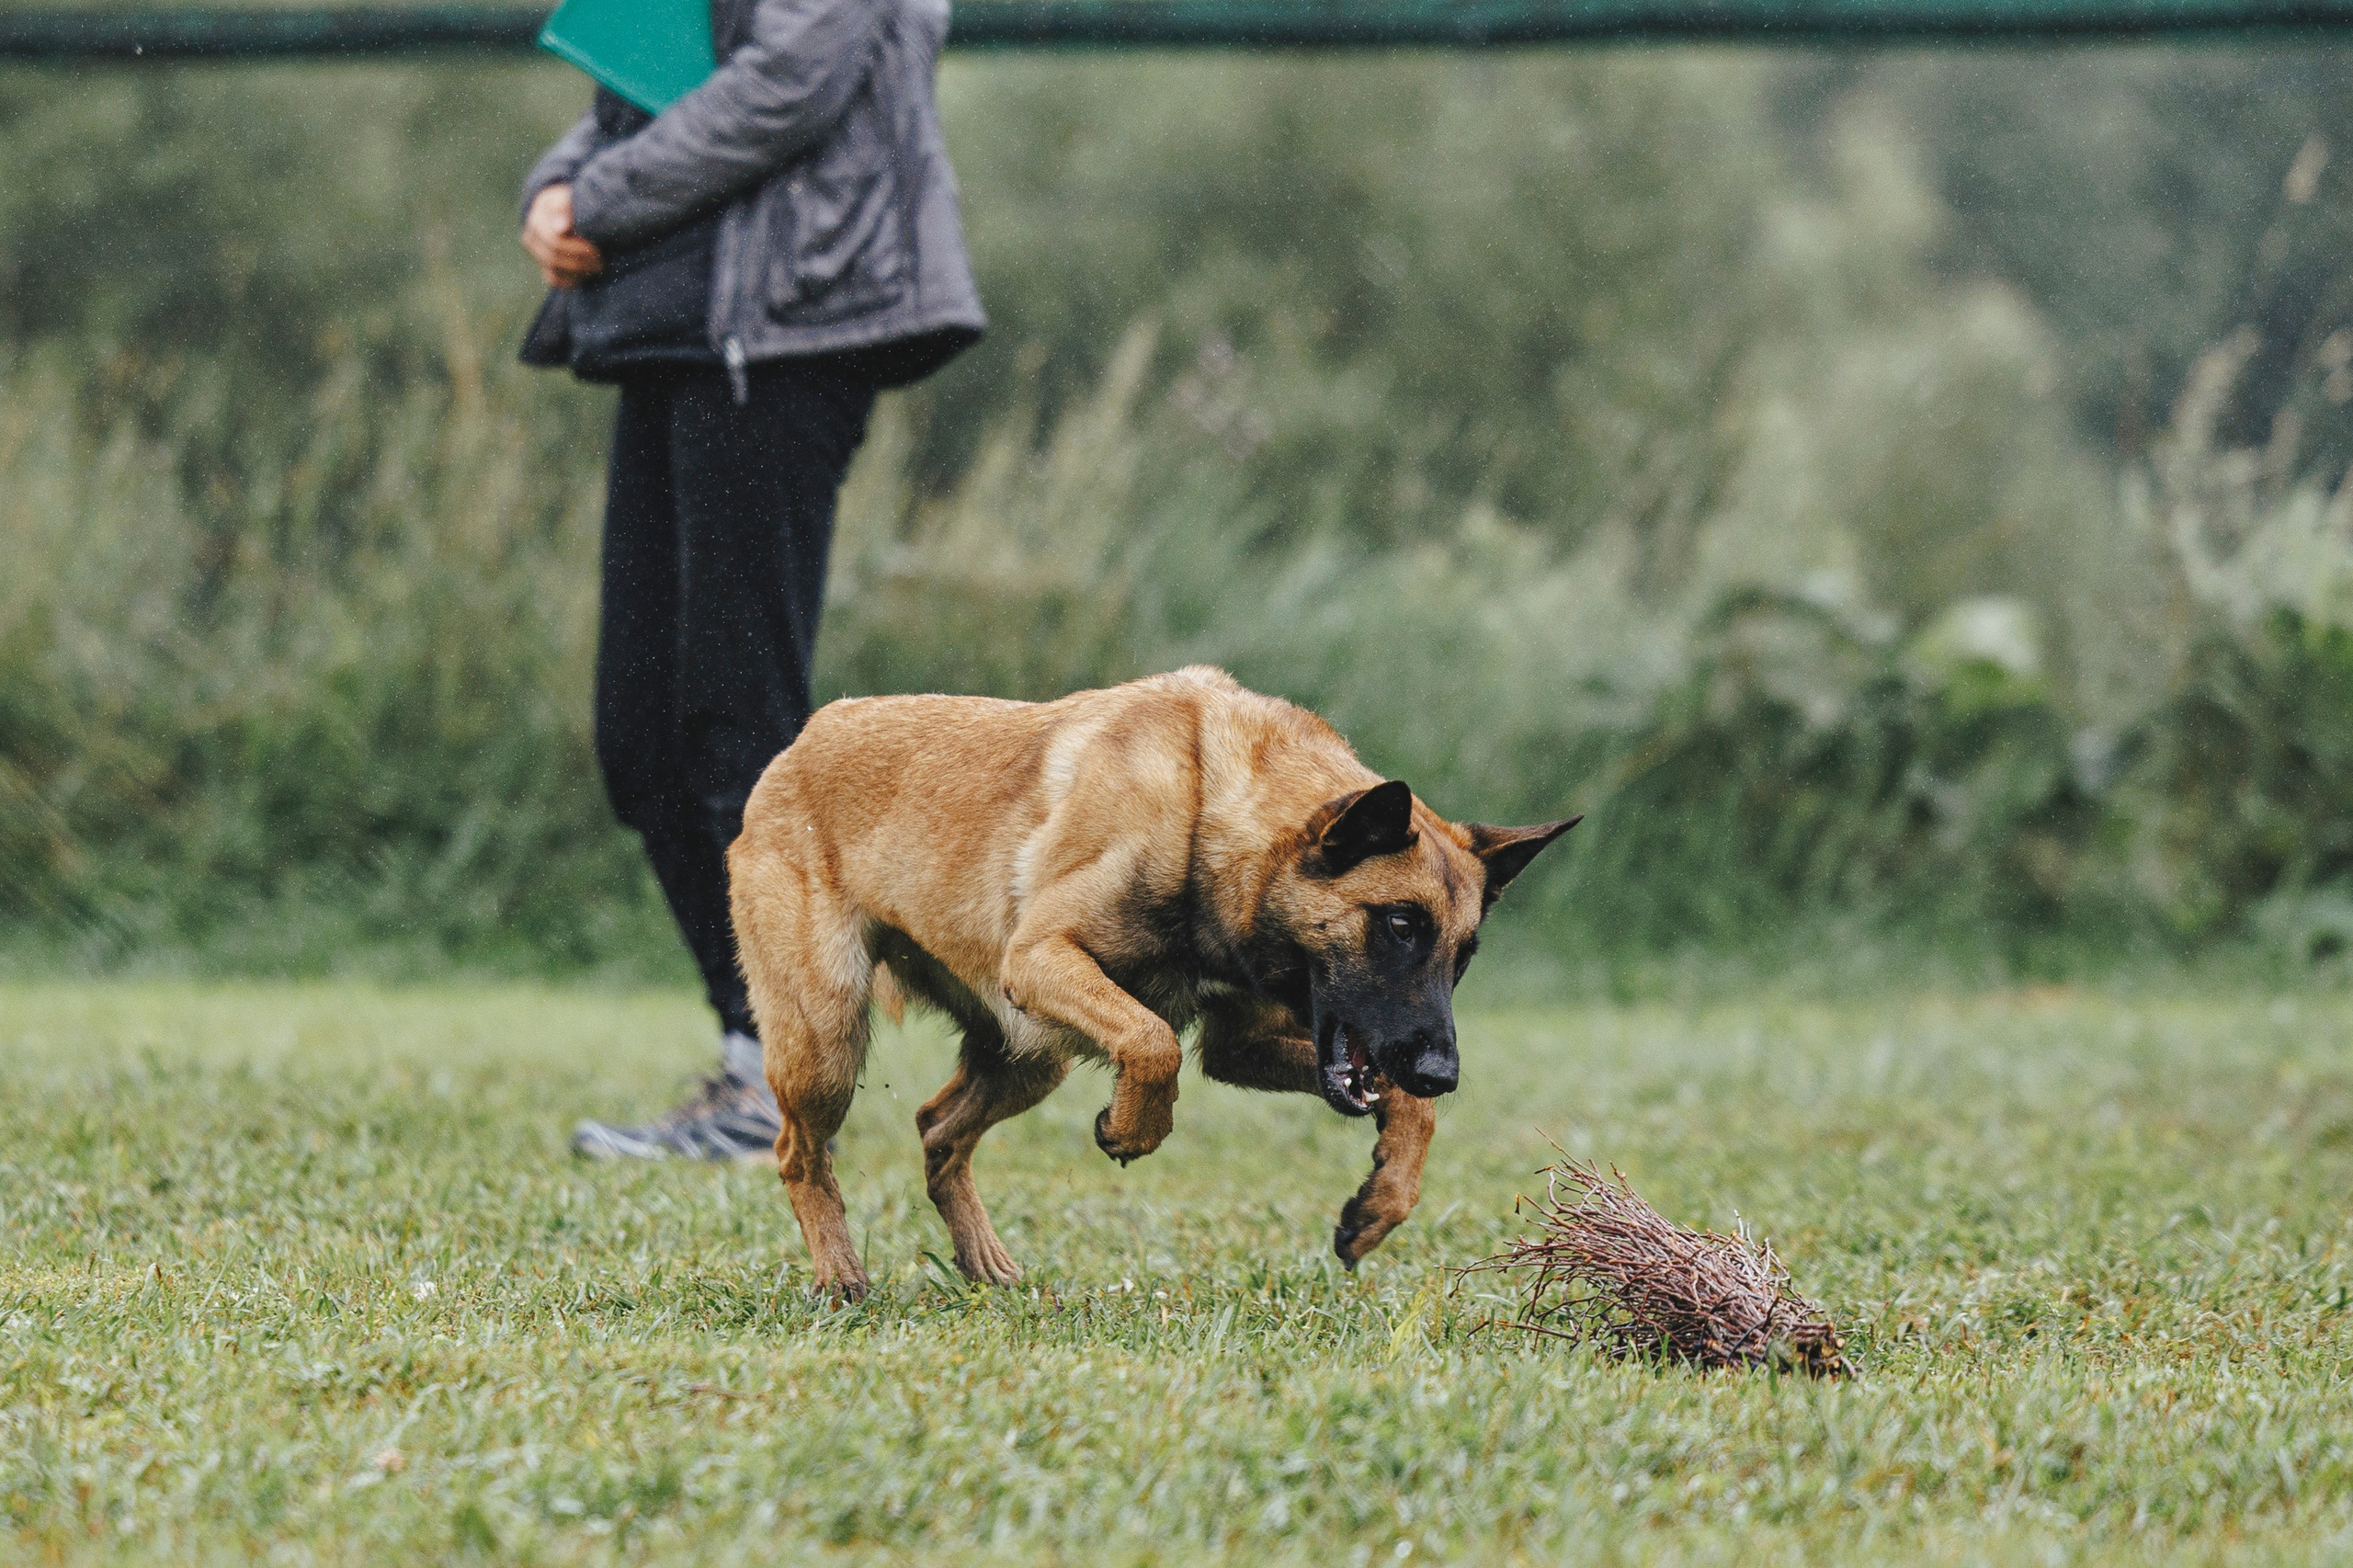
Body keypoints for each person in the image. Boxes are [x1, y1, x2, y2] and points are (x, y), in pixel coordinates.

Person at [517, 0, 983, 1159]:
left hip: (787, 336)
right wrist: (555, 189)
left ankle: (784, 1084)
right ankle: (751, 1047)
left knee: (739, 724)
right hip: (670, 328)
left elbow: (791, 81)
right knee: (640, 734)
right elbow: (634, 76)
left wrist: (604, 200)